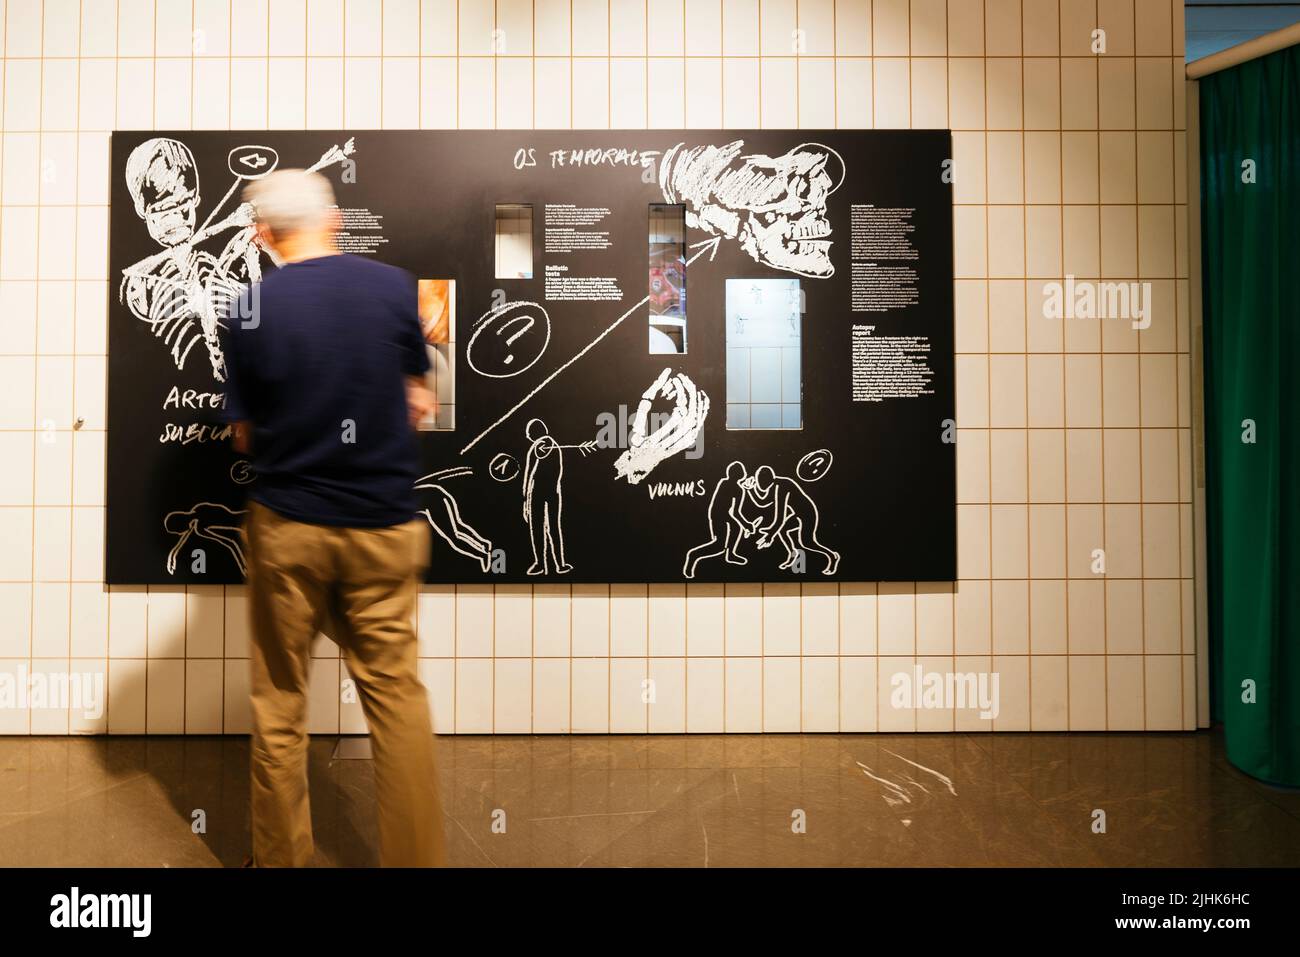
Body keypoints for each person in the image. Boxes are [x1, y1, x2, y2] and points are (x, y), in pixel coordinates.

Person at [221, 168, 446, 867]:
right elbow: (419, 399)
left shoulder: (248, 308)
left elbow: (245, 435)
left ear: (263, 234)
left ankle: (281, 859)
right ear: (336, 218)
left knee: (281, 705)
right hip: (383, 527)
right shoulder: (393, 287)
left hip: (289, 528)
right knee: (396, 700)